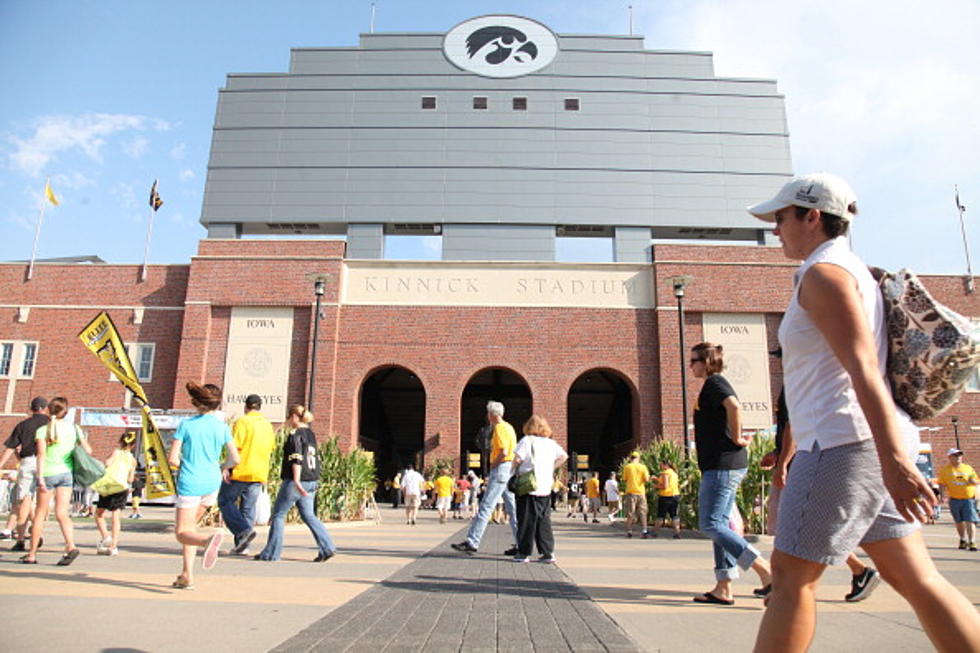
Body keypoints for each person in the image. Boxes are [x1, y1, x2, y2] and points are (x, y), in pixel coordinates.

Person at [748, 173, 980, 651]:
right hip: (863, 445)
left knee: (790, 578)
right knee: (916, 577)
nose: (775, 229)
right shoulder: (849, 271)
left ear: (812, 216)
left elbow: (863, 371)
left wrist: (894, 462)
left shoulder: (824, 274)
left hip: (840, 445)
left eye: (781, 217)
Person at [769, 390, 881, 602]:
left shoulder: (798, 383)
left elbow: (794, 427)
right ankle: (858, 571)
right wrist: (778, 455)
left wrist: (783, 464)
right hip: (813, 458)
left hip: (807, 462)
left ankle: (785, 589)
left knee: (797, 527)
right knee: (811, 527)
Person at [689, 342, 772, 605]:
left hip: (723, 465)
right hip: (721, 465)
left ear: (706, 361)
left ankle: (766, 571)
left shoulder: (715, 383)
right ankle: (723, 587)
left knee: (710, 524)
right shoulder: (711, 385)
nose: (690, 365)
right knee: (719, 525)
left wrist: (736, 437)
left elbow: (734, 407)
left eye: (694, 360)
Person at [167, 382, 240, 589]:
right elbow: (235, 458)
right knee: (191, 529)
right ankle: (187, 575)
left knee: (181, 532)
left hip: (191, 481)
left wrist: (185, 466)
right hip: (212, 482)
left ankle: (208, 541)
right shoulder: (222, 427)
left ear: (196, 402)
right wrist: (221, 466)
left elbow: (173, 459)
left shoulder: (186, 425)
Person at [255, 405, 336, 562]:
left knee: (278, 515)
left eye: (289, 417)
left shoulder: (295, 434)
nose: (288, 421)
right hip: (311, 479)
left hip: (295, 481)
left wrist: (296, 479)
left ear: (294, 417)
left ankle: (272, 553)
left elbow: (296, 457)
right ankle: (327, 547)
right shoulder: (311, 434)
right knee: (309, 515)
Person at [22, 396, 92, 566]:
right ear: (66, 412)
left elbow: (41, 455)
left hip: (47, 473)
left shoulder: (43, 430)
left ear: (48, 411)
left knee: (40, 513)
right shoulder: (74, 429)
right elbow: (88, 450)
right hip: (66, 473)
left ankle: (32, 553)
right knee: (62, 512)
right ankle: (70, 545)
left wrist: (39, 477)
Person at [452, 400, 518, 555]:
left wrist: (493, 464)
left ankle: (472, 541)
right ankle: (521, 543)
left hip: (501, 468)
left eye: (488, 413)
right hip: (509, 469)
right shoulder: (509, 427)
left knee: (486, 505)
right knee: (512, 508)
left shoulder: (499, 428)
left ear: (492, 415)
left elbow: (502, 450)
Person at [219, 394, 275, 556]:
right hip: (259, 472)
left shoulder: (242, 422)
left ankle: (243, 531)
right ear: (260, 407)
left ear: (246, 406)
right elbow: (270, 448)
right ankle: (243, 546)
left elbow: (235, 447)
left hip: (241, 470)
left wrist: (227, 467)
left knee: (225, 500)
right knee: (248, 508)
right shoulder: (267, 424)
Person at [511, 415, 568, 563]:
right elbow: (563, 456)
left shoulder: (526, 441)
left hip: (529, 485)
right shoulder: (550, 443)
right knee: (544, 520)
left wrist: (512, 471)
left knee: (526, 519)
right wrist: (550, 468)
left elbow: (517, 459)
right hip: (545, 485)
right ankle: (548, 552)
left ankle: (523, 552)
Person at [0, 397, 48, 552]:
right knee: (40, 503)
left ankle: (20, 539)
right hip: (47, 463)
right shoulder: (50, 425)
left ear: (32, 408)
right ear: (45, 408)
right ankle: (36, 531)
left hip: (27, 462)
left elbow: (10, 447)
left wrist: (0, 465)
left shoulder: (23, 425)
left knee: (24, 501)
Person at [94, 431, 138, 556]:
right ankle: (114, 546)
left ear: (121, 441)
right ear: (133, 445)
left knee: (99, 513)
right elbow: (130, 479)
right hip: (121, 487)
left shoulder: (116, 452)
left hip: (108, 486)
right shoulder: (132, 460)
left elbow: (107, 463)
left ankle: (106, 536)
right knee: (116, 517)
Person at [937, 447, 979, 551]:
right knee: (959, 521)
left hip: (968, 498)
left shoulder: (967, 468)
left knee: (970, 520)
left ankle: (972, 541)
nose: (959, 457)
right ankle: (963, 539)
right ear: (950, 457)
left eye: (960, 455)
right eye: (956, 455)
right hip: (954, 499)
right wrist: (942, 496)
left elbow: (976, 481)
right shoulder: (945, 470)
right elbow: (942, 484)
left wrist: (972, 481)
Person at [622, 453, 650, 539]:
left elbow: (624, 479)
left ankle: (629, 531)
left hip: (631, 492)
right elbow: (646, 479)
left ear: (631, 458)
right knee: (643, 512)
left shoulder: (627, 467)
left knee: (630, 513)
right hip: (641, 492)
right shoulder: (643, 467)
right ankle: (644, 531)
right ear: (638, 458)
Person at [653, 461, 681, 539]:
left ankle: (655, 532)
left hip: (665, 496)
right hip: (675, 495)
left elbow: (665, 486)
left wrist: (656, 486)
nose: (660, 467)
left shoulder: (665, 473)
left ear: (666, 465)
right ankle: (677, 533)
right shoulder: (674, 474)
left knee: (661, 515)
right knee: (674, 515)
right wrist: (658, 479)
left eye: (661, 465)